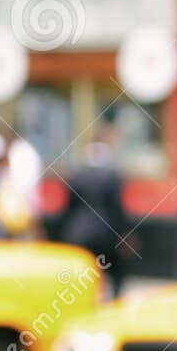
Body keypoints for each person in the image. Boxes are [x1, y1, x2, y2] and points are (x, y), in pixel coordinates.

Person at [59, 124, 133, 295]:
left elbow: (68, 208)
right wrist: (124, 232)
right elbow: (117, 209)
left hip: (78, 233)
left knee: (81, 276)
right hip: (104, 235)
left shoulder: (77, 174)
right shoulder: (112, 176)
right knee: (113, 274)